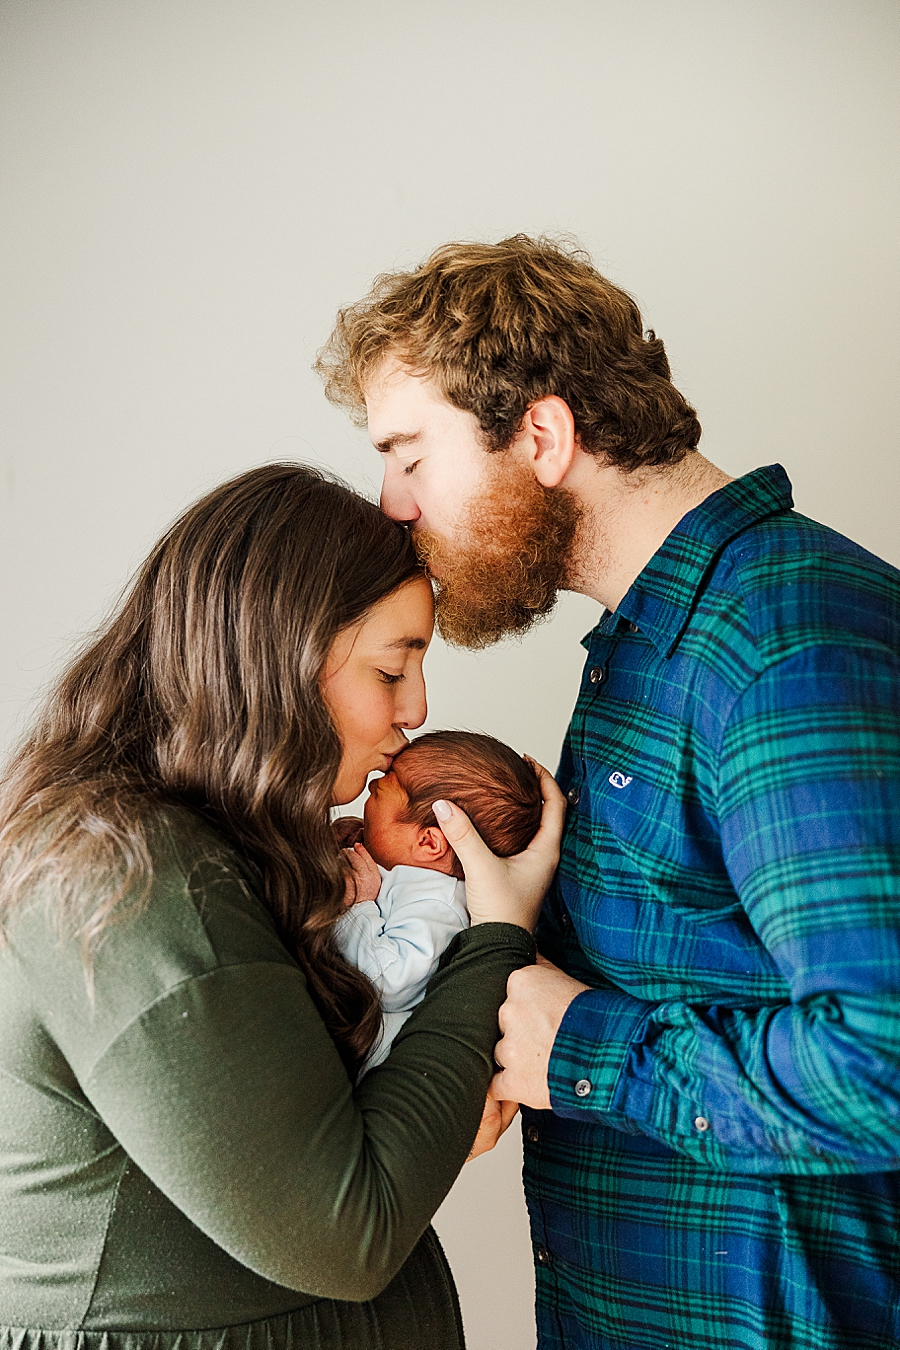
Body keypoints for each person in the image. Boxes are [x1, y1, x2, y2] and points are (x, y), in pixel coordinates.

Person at [317, 236, 900, 1349]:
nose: (391, 504)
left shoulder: (782, 649)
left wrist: (583, 1047)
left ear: (540, 435)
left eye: (409, 454)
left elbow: (883, 1058)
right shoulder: (645, 649)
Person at [0, 462, 565, 1349]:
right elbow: (351, 1232)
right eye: (393, 668)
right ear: (282, 657)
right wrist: (496, 936)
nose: (418, 707)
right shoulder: (139, 878)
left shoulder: (246, 846)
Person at [336, 730, 542, 1070]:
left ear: (430, 843)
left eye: (383, 790)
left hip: (370, 1069)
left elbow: (389, 981)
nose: (371, 788)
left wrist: (358, 907)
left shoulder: (439, 906)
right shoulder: (409, 875)